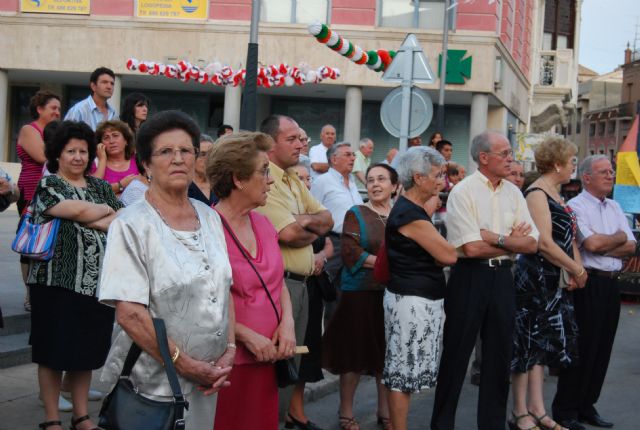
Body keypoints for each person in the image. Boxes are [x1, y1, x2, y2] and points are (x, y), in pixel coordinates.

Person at [98, 110, 234, 429]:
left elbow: (224, 289)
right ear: (146, 164)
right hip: (153, 387)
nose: (178, 159)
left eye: (186, 151)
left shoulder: (210, 217)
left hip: (208, 379)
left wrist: (228, 350)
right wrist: (185, 364)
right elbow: (130, 313)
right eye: (165, 151)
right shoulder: (130, 225)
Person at [431, 131, 539, 430]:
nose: (510, 159)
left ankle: (492, 425)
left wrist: (497, 237)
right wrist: (511, 241)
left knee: (499, 356)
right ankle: (442, 424)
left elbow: (532, 244)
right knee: (457, 354)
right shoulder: (463, 192)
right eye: (504, 154)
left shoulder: (514, 193)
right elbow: (472, 248)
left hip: (503, 276)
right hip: (469, 276)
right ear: (484, 158)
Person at [26, 120, 123, 430]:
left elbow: (122, 220)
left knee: (86, 352)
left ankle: (81, 416)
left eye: (83, 151)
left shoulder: (102, 186)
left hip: (97, 285)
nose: (78, 157)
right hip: (55, 283)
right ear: (58, 154)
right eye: (71, 151)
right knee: (52, 352)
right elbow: (81, 212)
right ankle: (51, 418)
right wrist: (100, 213)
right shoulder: (49, 185)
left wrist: (95, 214)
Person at [209, 131, 297, 430]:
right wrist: (245, 334)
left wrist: (288, 325)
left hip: (269, 360)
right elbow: (198, 302)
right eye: (264, 171)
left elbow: (278, 282)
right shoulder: (207, 229)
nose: (270, 180)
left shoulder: (263, 222)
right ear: (238, 178)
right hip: (229, 362)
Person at [257, 114, 333, 429]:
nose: (301, 144)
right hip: (280, 286)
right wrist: (304, 223)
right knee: (275, 369)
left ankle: (279, 420)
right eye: (292, 139)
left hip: (302, 286)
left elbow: (328, 219)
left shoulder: (291, 178)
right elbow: (287, 234)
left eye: (302, 138)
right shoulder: (267, 178)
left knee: (292, 367)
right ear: (270, 143)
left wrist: (301, 221)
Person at [552, 155, 637, 430]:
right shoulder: (576, 206)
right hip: (588, 282)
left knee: (602, 348)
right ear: (586, 177)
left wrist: (608, 242)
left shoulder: (614, 206)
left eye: (611, 171)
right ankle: (566, 409)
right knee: (582, 348)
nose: (610, 175)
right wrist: (616, 239)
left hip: (612, 282)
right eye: (603, 172)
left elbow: (631, 246)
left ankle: (587, 405)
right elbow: (590, 244)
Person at [509, 137, 583, 430]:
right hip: (537, 277)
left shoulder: (555, 192)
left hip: (554, 279)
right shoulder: (537, 193)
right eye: (571, 161)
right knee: (526, 344)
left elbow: (569, 237)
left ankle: (537, 410)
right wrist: (576, 268)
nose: (573, 166)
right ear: (557, 164)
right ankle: (519, 412)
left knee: (542, 346)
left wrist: (574, 268)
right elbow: (545, 243)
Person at [382, 148, 457, 430]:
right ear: (418, 177)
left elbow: (441, 254)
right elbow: (448, 255)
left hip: (417, 299)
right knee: (402, 373)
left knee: (407, 371)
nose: (442, 181)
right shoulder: (410, 215)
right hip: (411, 301)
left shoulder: (412, 211)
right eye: (437, 175)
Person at [322, 163, 399, 430]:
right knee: (353, 356)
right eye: (371, 179)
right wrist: (387, 264)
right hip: (359, 295)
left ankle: (385, 410)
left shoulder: (400, 215)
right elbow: (350, 252)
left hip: (392, 295)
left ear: (394, 185)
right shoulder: (357, 212)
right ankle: (346, 412)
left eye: (382, 179)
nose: (375, 184)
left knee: (385, 357)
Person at [15, 90, 61, 312]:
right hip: (31, 194)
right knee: (31, 243)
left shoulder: (56, 132)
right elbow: (44, 157)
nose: (57, 112)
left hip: (52, 193)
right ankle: (29, 294)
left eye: (59, 109)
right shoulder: (29, 130)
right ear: (39, 109)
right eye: (53, 108)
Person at [311, 142, 363, 325]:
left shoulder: (353, 183)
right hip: (333, 241)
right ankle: (328, 347)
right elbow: (313, 215)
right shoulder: (322, 182)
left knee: (350, 295)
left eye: (353, 155)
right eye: (348, 154)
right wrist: (323, 243)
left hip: (354, 243)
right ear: (334, 159)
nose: (353, 158)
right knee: (331, 294)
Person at [93, 120, 139, 197]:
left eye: (115, 135)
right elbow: (92, 191)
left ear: (126, 141)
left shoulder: (138, 160)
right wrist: (120, 185)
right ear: (100, 144)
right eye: (106, 138)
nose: (111, 141)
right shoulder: (96, 163)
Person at [188, 134, 216, 205]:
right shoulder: (184, 188)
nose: (207, 159)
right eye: (203, 154)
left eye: (211, 154)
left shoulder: (220, 185)